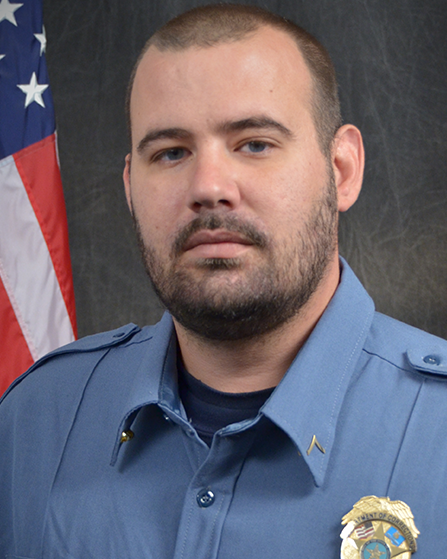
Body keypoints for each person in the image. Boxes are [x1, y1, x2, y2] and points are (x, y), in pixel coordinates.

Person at [1, 4, 447, 558]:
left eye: (254, 144)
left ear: (342, 171)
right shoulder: (36, 420)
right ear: (130, 189)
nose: (208, 186)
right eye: (171, 153)